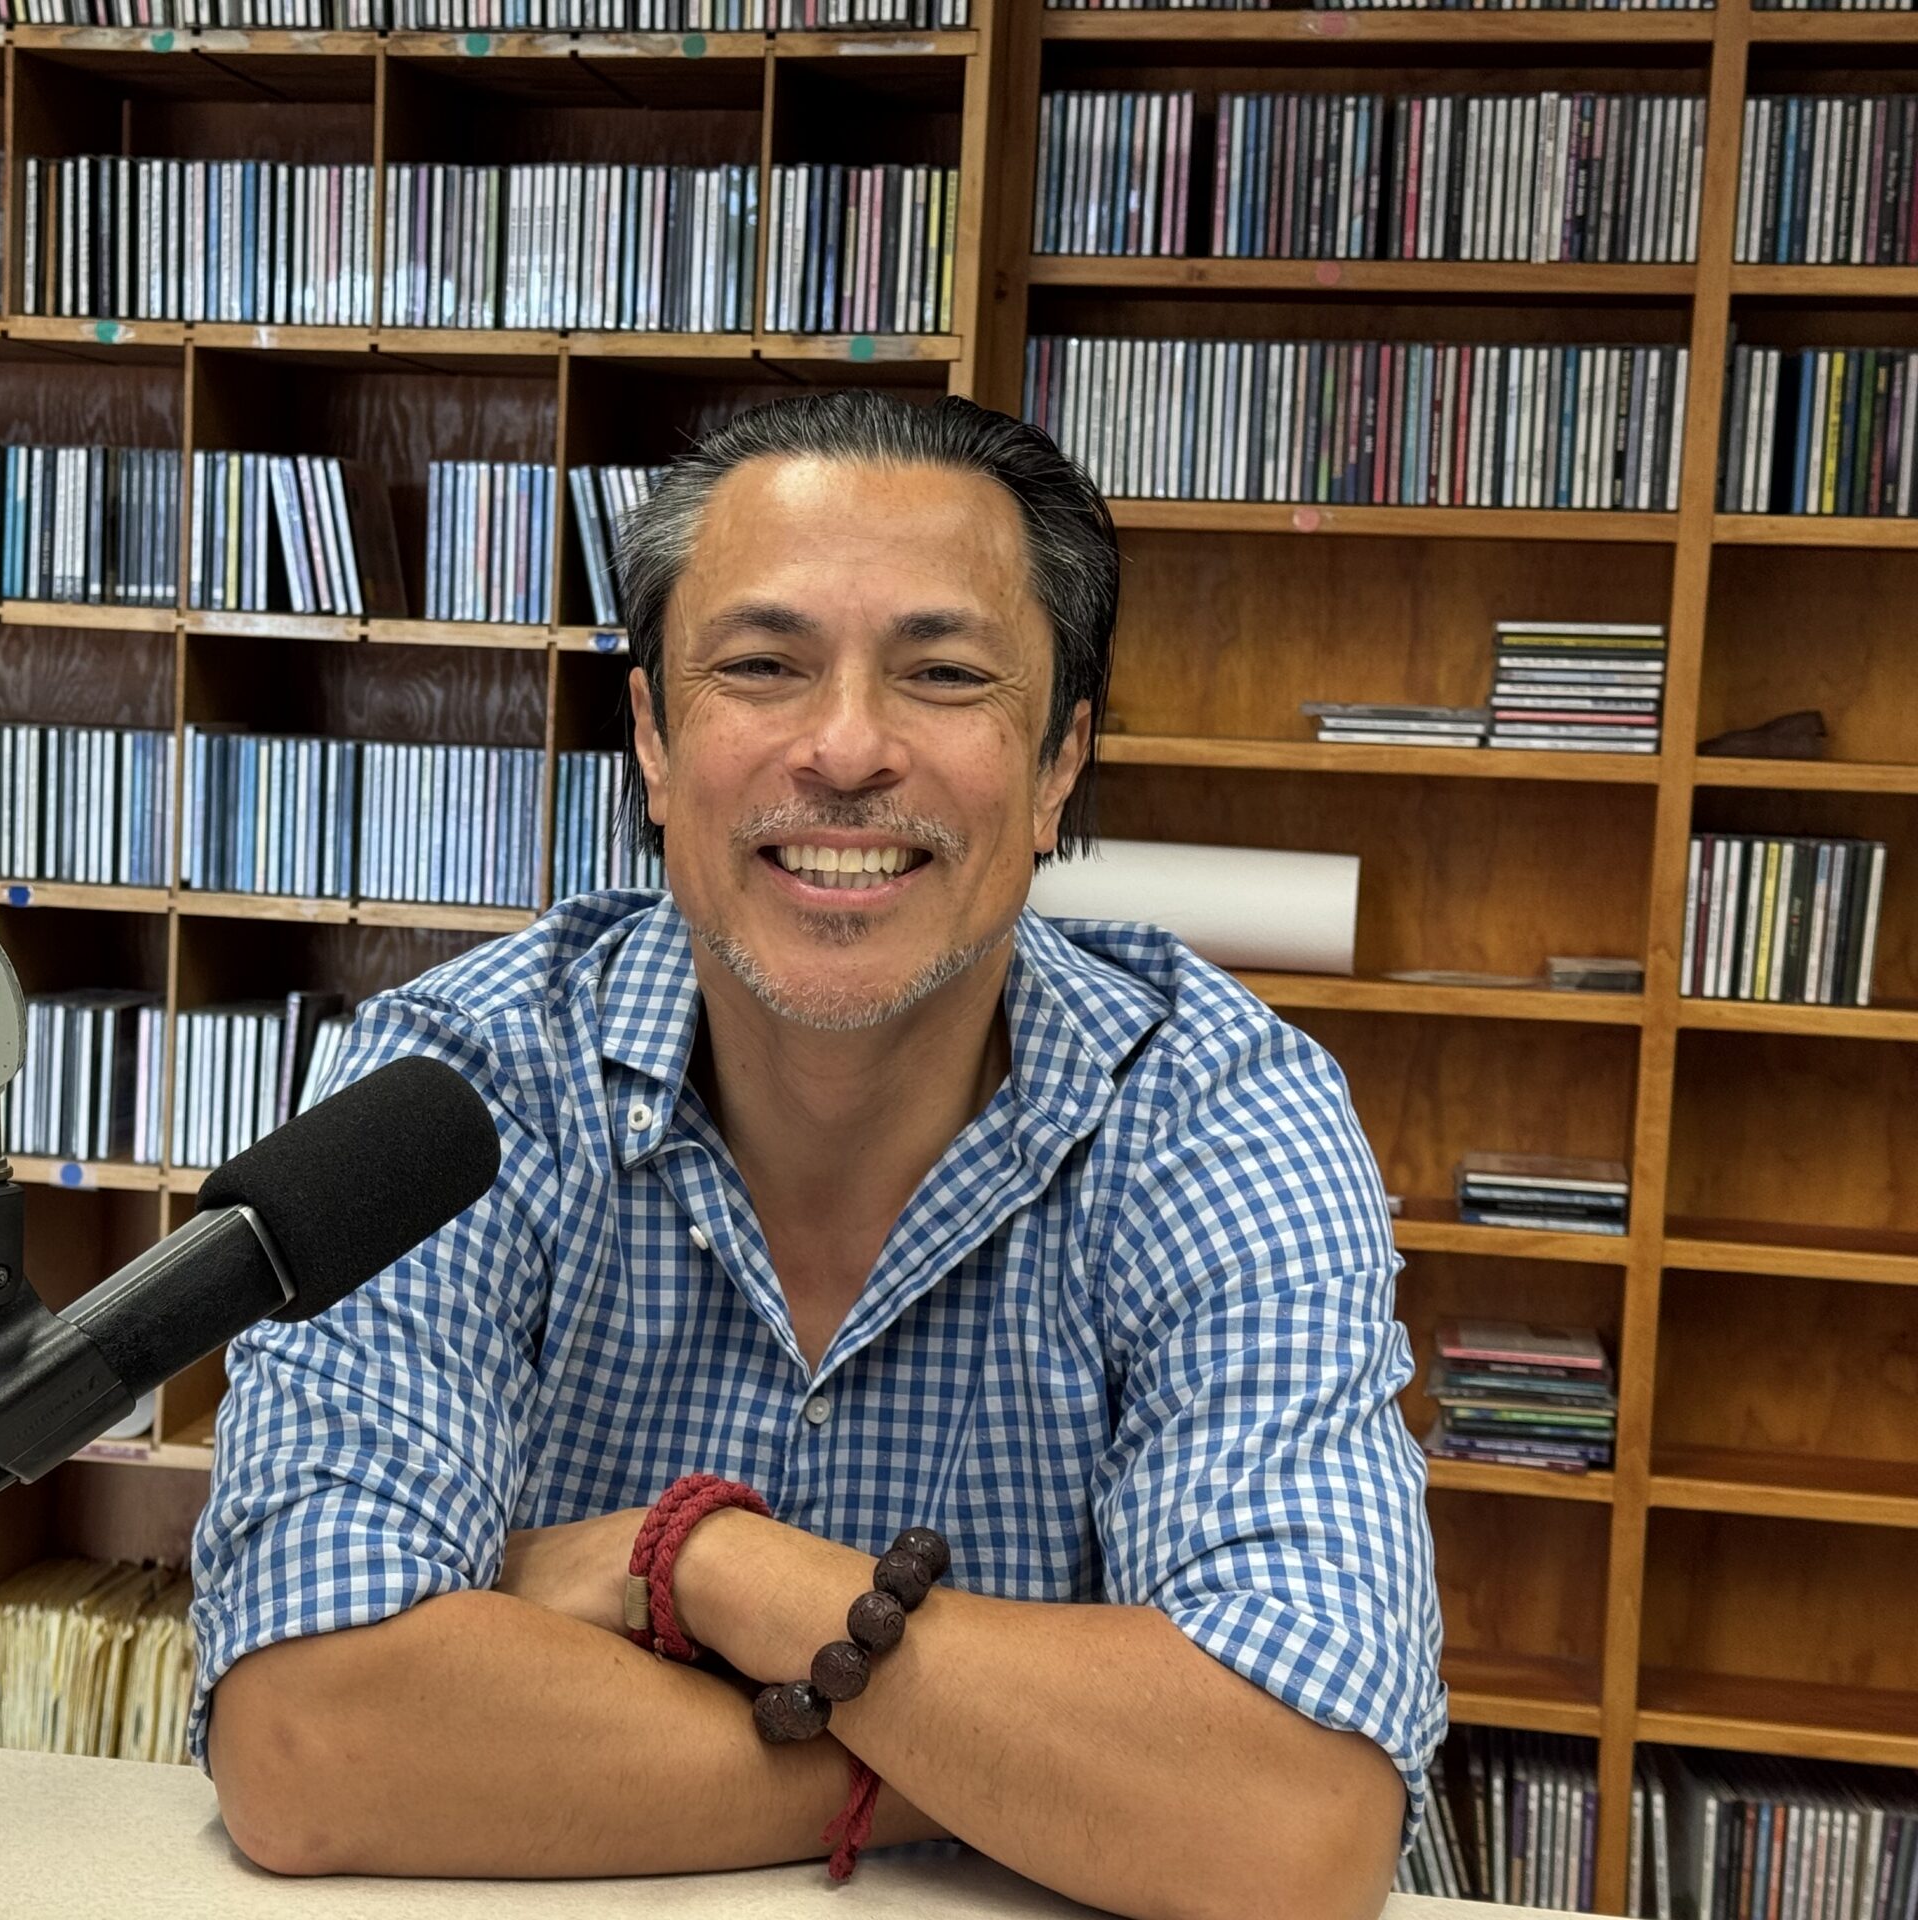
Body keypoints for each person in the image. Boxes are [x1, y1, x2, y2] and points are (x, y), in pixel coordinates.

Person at [187, 390, 1445, 1920]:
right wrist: (1026, 1777)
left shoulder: (1219, 1112)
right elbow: (311, 1738)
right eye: (763, 666)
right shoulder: (455, 1089)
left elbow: (1291, 1819)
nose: (846, 749)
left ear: (1059, 764)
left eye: (946, 674)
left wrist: (694, 1561)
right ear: (654, 741)